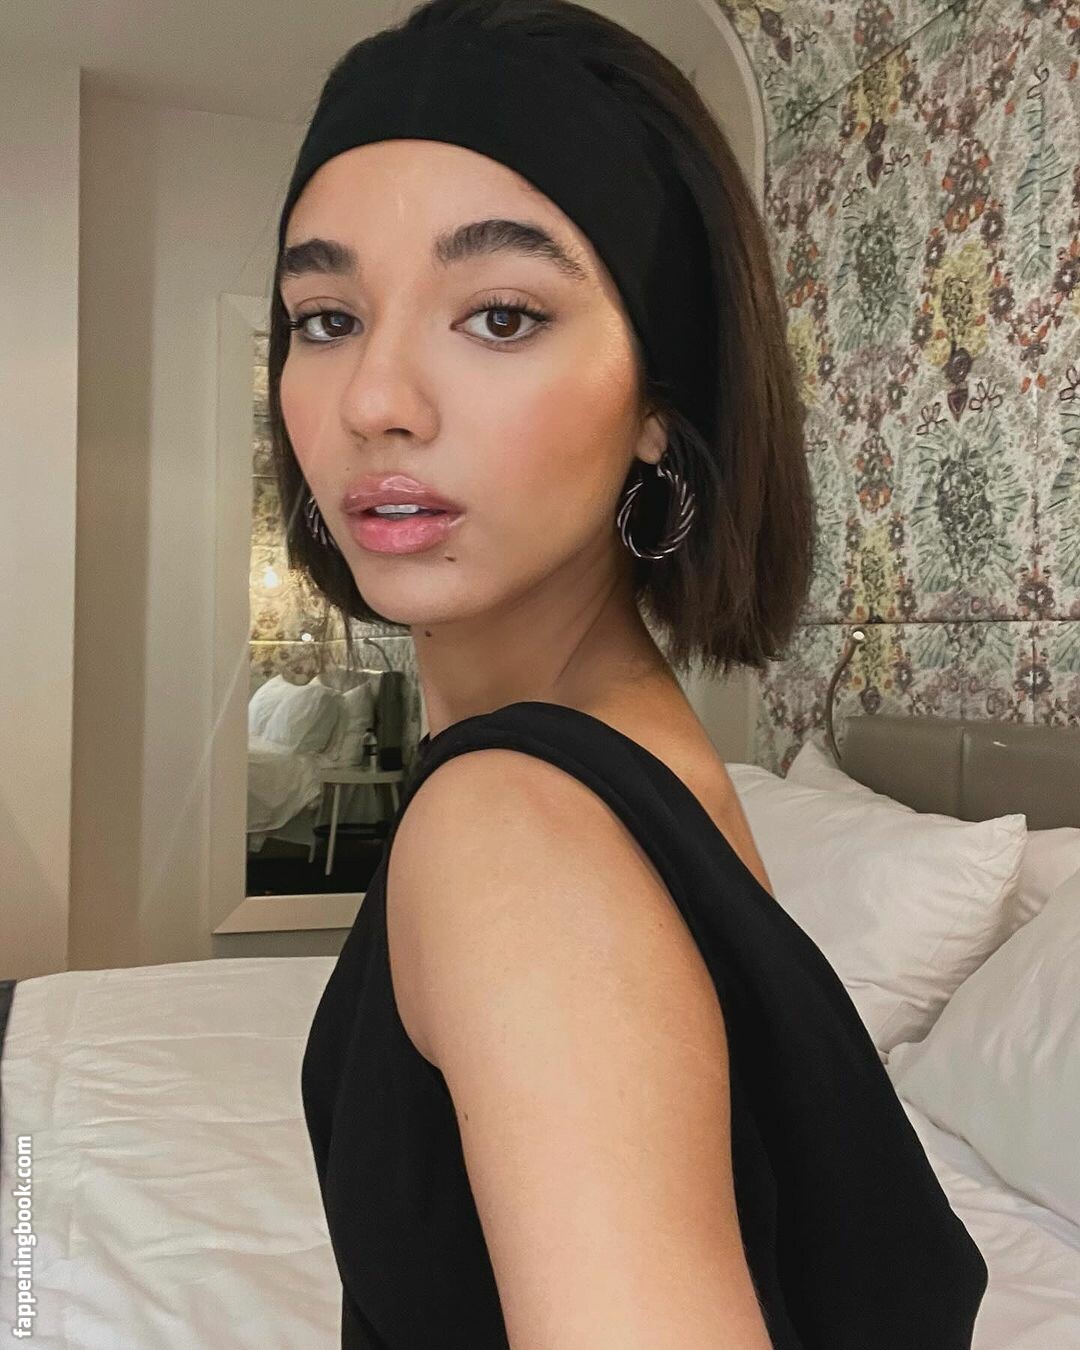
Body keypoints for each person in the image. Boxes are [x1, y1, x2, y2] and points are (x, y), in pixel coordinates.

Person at [270, 1, 990, 1345]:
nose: (373, 400)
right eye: (325, 317)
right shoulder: (634, 754)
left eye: (499, 315)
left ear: (660, 399)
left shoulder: (511, 830)